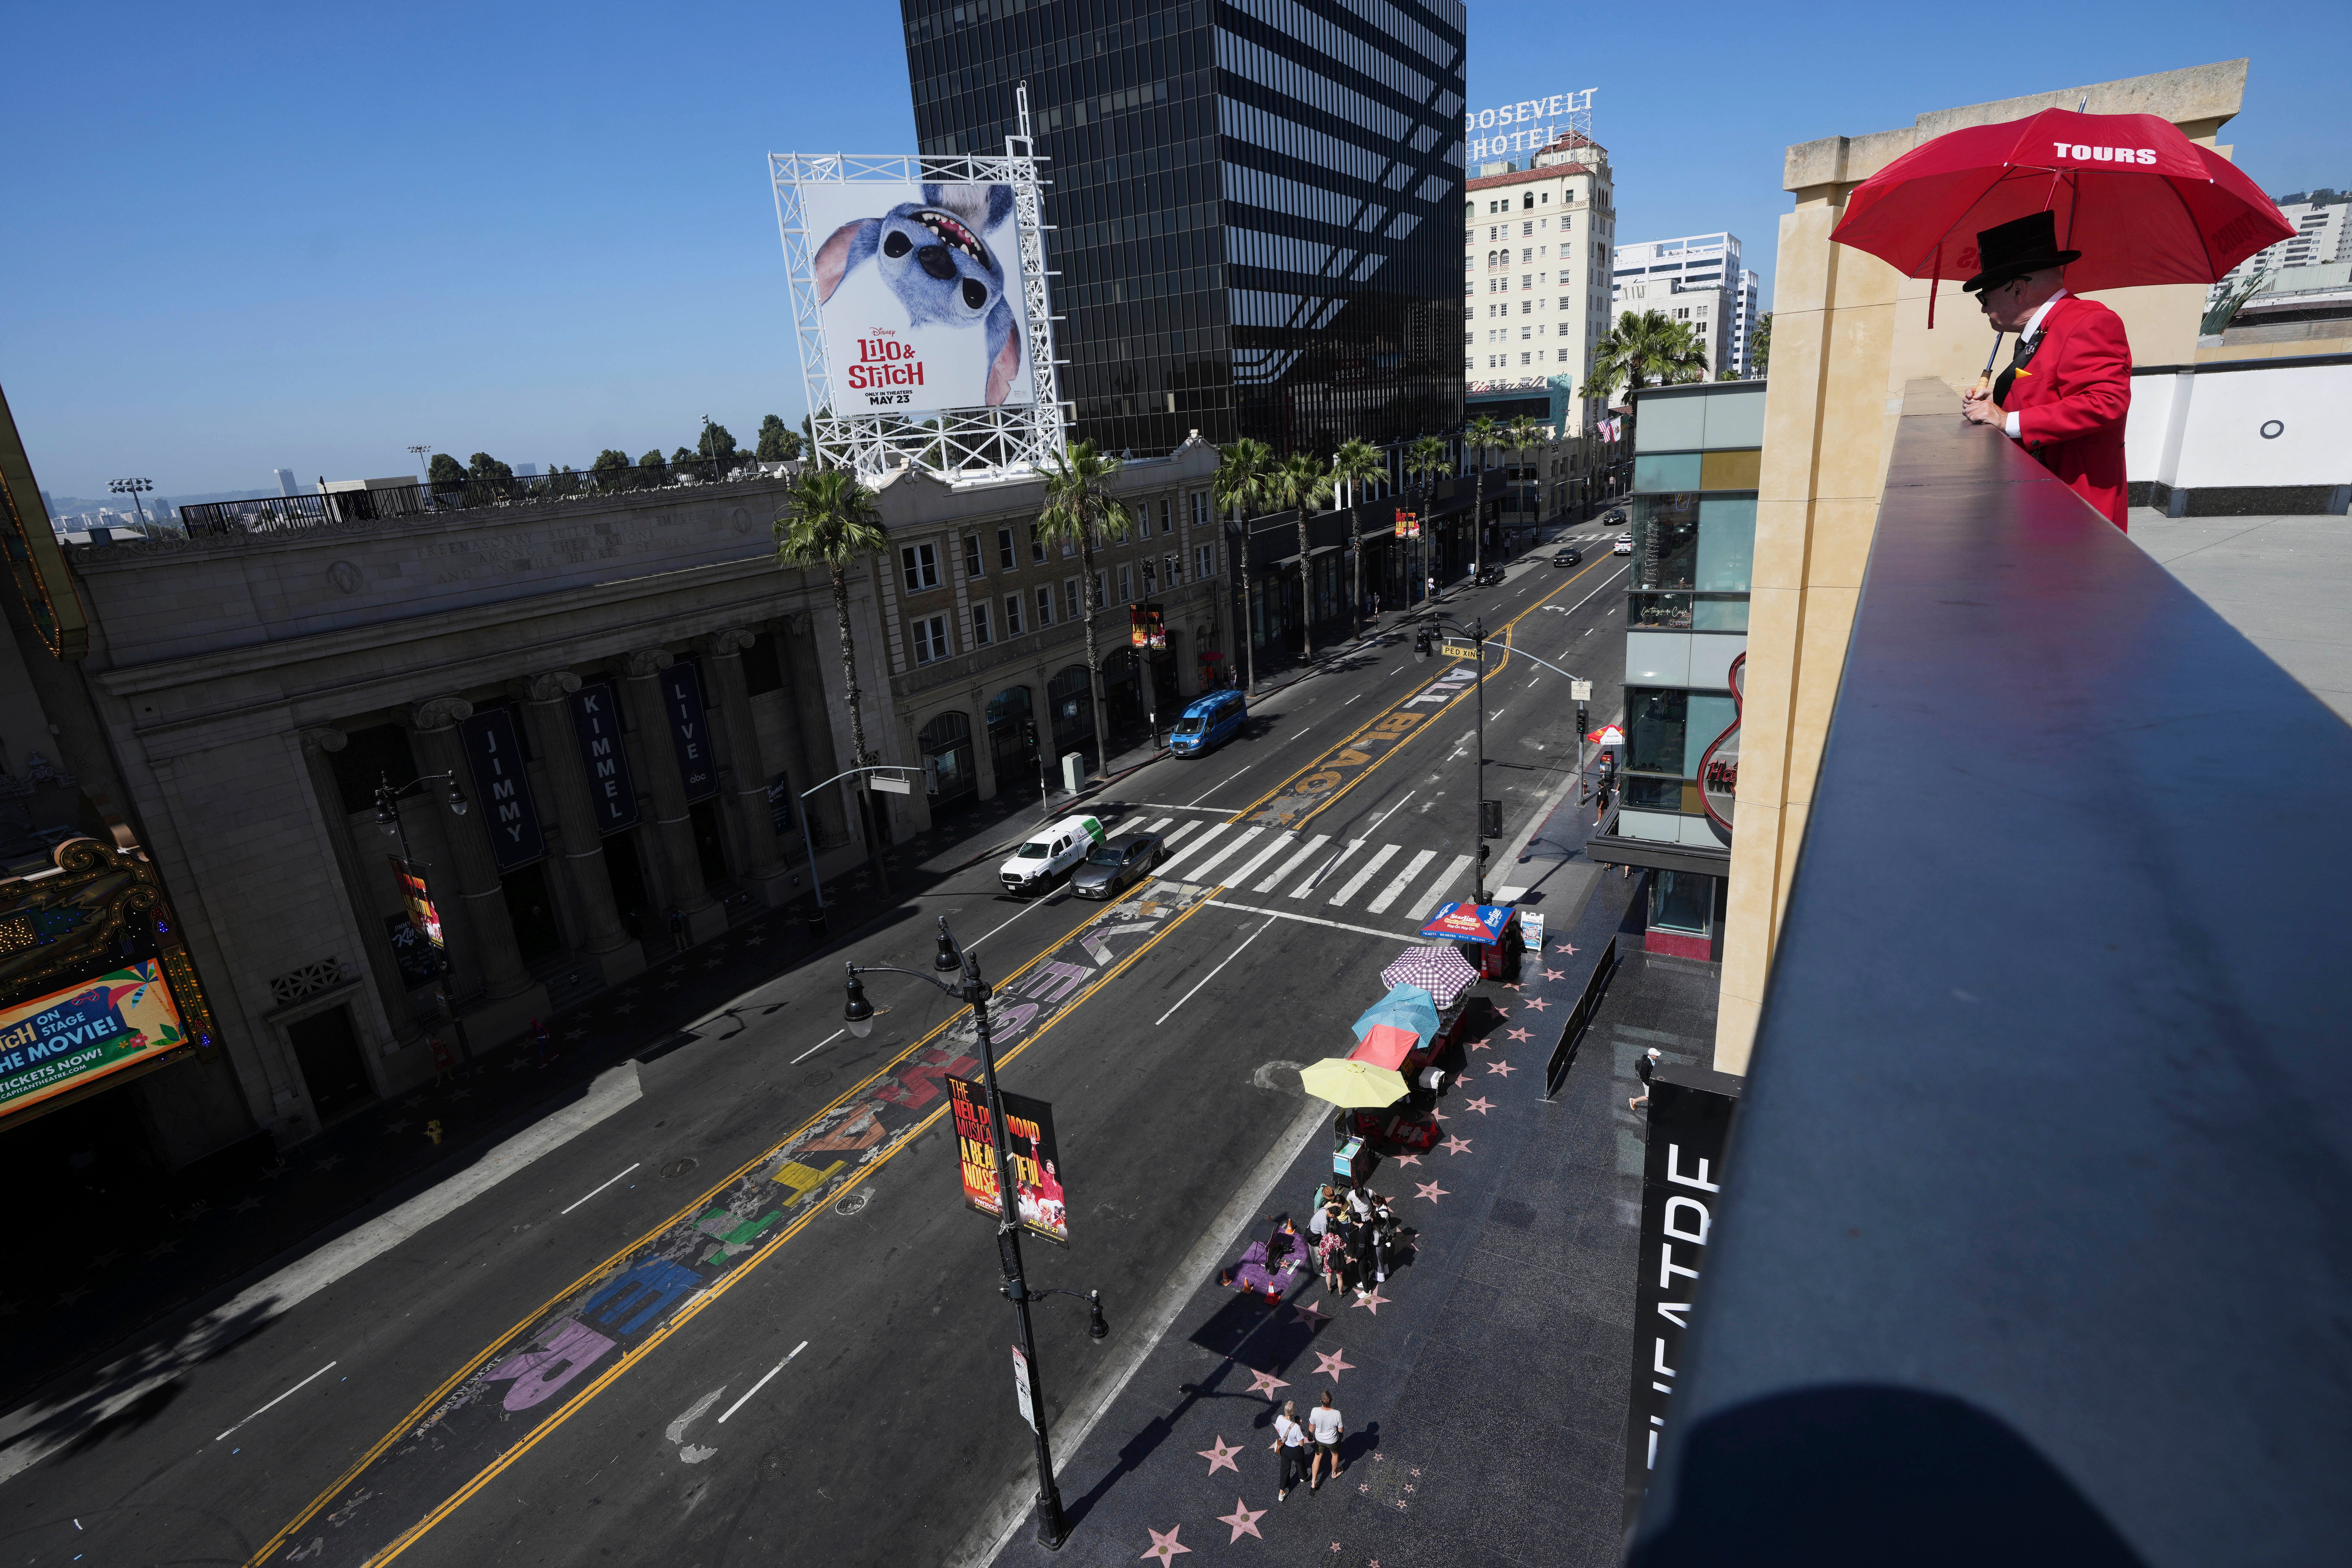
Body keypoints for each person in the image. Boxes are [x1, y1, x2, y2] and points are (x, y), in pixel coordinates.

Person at [1958, 210, 2131, 530]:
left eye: (1985, 295)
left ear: (2018, 290)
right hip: (2040, 505)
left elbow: (2106, 403)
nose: (1984, 307)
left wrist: (2006, 420)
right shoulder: (2044, 329)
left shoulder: (2089, 321)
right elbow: (2045, 389)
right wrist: (1996, 400)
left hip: (2073, 514)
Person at [1269, 1399, 1309, 1502]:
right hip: (1295, 1451)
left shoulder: (1279, 1418)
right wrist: (1299, 1427)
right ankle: (1303, 1477)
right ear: (1294, 1412)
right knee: (1300, 1463)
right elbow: (1301, 1443)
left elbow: (1280, 1431)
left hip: (1284, 1449)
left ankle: (1282, 1493)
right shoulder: (1296, 1427)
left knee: (1285, 1469)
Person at [1306, 1390, 1346, 1490]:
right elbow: (1341, 1429)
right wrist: (1340, 1438)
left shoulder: (1315, 1411)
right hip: (1333, 1440)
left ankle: (1314, 1482)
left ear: (1321, 1401)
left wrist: (1310, 1436)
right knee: (1335, 1455)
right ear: (1331, 1402)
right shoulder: (1337, 1414)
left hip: (1319, 1439)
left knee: (1317, 1457)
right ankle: (1334, 1473)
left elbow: (1312, 1426)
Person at [1630, 1046, 1661, 1113]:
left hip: (1652, 1080)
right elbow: (1644, 1075)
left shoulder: (1652, 1060)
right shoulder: (1647, 1063)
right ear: (1652, 1056)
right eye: (1656, 1056)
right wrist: (1648, 1084)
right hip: (1648, 1082)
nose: (1657, 1057)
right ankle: (1634, 1101)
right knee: (1648, 1097)